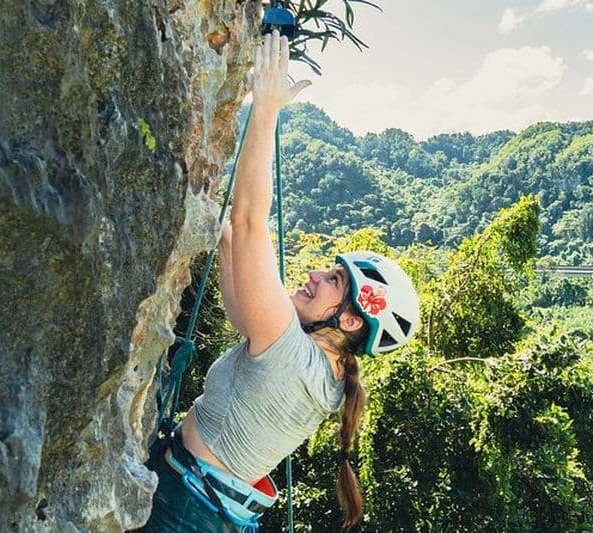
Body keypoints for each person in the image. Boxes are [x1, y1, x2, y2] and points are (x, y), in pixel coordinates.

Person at [141, 30, 419, 532]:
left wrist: (265, 107)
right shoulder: (326, 374)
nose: (315, 274)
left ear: (350, 317)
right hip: (203, 511)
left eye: (334, 279)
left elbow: (248, 221)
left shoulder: (293, 358)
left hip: (181, 511)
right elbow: (234, 255)